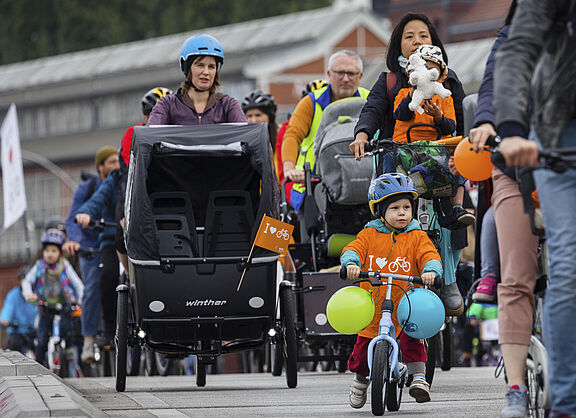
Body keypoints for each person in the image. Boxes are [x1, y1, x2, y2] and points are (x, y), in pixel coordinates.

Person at [348, 13, 467, 317]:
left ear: (434, 43)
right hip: (397, 160)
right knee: (387, 218)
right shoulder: (390, 80)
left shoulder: (448, 79)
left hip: (439, 158)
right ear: (398, 45)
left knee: (450, 220)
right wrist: (362, 135)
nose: (417, 41)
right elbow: (372, 111)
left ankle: (450, 281)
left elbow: (462, 126)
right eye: (409, 36)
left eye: (423, 36)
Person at [492, 1, 576, 417]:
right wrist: (503, 129)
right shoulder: (519, 36)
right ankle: (557, 400)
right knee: (554, 268)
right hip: (544, 146)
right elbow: (511, 61)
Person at [341, 173, 442, 408]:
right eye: (395, 208)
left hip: (407, 304)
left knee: (412, 339)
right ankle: (359, 381)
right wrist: (352, 264)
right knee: (363, 346)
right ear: (380, 211)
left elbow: (430, 255)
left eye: (407, 207)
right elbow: (352, 249)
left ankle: (418, 379)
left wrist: (430, 271)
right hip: (374, 307)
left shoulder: (417, 236)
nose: (402, 213)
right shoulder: (369, 235)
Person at [393, 44, 474, 227]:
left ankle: (457, 208)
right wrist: (412, 97)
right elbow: (400, 115)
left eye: (431, 67)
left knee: (456, 163)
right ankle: (400, 212)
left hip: (437, 151)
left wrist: (438, 116)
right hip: (409, 150)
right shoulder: (404, 94)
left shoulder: (444, 96)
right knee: (394, 163)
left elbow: (450, 126)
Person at [281, 50, 370, 211]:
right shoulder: (311, 102)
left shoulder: (370, 100)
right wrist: (289, 169)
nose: (345, 78)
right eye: (340, 73)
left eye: (351, 73)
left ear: (360, 76)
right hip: (313, 183)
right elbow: (292, 135)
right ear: (329, 74)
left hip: (362, 182)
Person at [63, 145, 120, 363]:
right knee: (92, 288)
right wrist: (75, 239)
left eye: (118, 161)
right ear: (100, 167)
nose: (116, 166)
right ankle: (88, 340)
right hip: (90, 246)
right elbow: (74, 217)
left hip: (116, 242)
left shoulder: (121, 183)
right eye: (111, 162)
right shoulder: (88, 188)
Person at [117, 87, 173, 273]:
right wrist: (128, 211)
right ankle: (128, 274)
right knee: (121, 231)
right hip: (138, 189)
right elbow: (129, 175)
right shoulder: (133, 134)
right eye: (155, 115)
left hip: (171, 191)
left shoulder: (180, 132)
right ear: (146, 117)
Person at [147, 34, 246, 125]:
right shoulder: (167, 104)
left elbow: (245, 135)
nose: (206, 72)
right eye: (200, 65)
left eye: (211, 67)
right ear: (187, 67)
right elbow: (150, 136)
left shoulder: (227, 105)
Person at [21, 228, 84, 368]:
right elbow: (27, 281)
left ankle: (69, 362)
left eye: (54, 251)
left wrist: (80, 299)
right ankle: (38, 367)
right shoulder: (39, 266)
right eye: (47, 250)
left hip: (64, 306)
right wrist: (28, 293)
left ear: (60, 253)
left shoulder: (65, 266)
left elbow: (78, 285)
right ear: (43, 252)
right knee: (42, 339)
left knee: (69, 333)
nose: (50, 254)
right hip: (45, 307)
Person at [241, 90, 279, 175]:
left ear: (270, 117)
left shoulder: (281, 138)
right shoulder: (242, 144)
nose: (254, 120)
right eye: (249, 116)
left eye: (258, 115)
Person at [0, 267, 37, 354]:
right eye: (23, 280)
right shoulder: (13, 295)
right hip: (18, 332)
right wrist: (5, 319)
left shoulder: (37, 294)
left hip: (34, 332)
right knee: (14, 345)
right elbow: (8, 308)